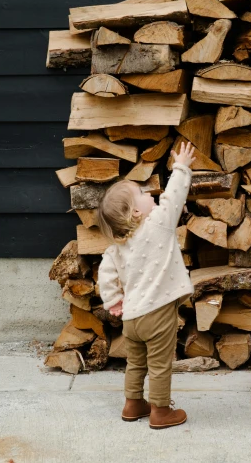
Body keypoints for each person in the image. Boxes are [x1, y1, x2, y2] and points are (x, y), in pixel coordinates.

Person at [96, 141, 196, 430]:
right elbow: (173, 197)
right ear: (135, 213)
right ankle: (161, 411)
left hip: (132, 317)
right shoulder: (158, 225)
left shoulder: (118, 245)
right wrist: (181, 167)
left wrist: (113, 301)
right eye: (141, 193)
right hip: (158, 312)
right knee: (160, 364)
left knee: (136, 363)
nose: (149, 192)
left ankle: (132, 404)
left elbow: (106, 272)